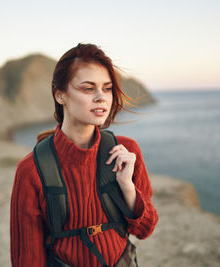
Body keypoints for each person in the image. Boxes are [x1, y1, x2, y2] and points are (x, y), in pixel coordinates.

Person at [10, 43, 158, 267]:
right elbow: (27, 260)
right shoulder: (32, 170)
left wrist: (127, 188)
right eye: (88, 88)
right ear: (60, 95)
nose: (101, 97)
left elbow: (145, 229)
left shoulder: (127, 152)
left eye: (107, 88)